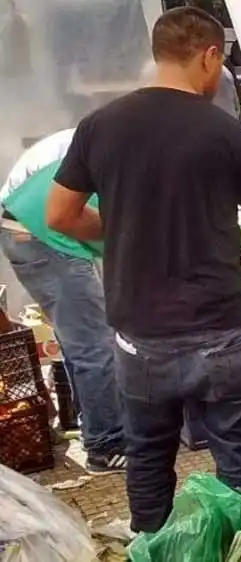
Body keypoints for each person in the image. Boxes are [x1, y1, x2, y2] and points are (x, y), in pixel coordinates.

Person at [45, 7, 241, 534]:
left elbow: (58, 215)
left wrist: (119, 230)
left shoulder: (100, 126)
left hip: (141, 334)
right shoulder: (228, 134)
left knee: (148, 455)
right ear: (208, 56)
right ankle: (236, 545)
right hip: (221, 331)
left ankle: (151, 542)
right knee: (238, 460)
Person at [0, 128, 126, 475]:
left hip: (27, 229)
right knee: (95, 343)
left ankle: (95, 426)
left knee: (80, 341)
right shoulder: (127, 147)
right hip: (40, 235)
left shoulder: (110, 134)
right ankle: (106, 444)